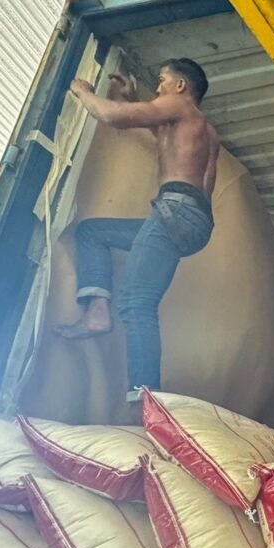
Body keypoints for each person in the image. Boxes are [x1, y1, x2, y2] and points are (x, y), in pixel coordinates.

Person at [56, 58, 220, 405]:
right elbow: (165, 142)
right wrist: (132, 99)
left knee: (136, 304)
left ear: (180, 86)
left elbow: (113, 117)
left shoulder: (179, 106)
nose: (158, 87)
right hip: (195, 222)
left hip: (175, 210)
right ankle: (97, 312)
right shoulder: (203, 130)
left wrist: (83, 91)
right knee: (93, 233)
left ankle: (147, 401)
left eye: (162, 80)